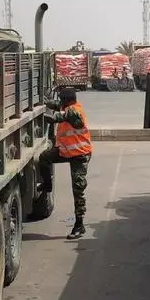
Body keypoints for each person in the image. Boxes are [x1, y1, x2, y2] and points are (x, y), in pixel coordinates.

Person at [40, 87, 92, 239]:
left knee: (78, 189)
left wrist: (42, 114)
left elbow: (58, 116)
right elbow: (58, 106)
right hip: (66, 151)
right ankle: (47, 185)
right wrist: (47, 103)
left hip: (80, 155)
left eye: (62, 100)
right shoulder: (69, 106)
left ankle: (79, 224)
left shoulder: (74, 112)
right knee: (44, 158)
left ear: (67, 101)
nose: (60, 102)